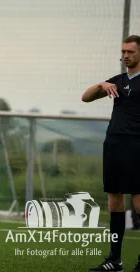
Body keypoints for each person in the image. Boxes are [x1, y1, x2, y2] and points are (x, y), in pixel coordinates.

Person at [82, 35, 140, 272]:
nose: (126, 56)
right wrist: (101, 85)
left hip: (137, 146)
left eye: (130, 52)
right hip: (113, 145)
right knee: (115, 202)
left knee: (138, 202)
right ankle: (114, 260)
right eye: (123, 52)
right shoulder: (117, 81)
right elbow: (85, 97)